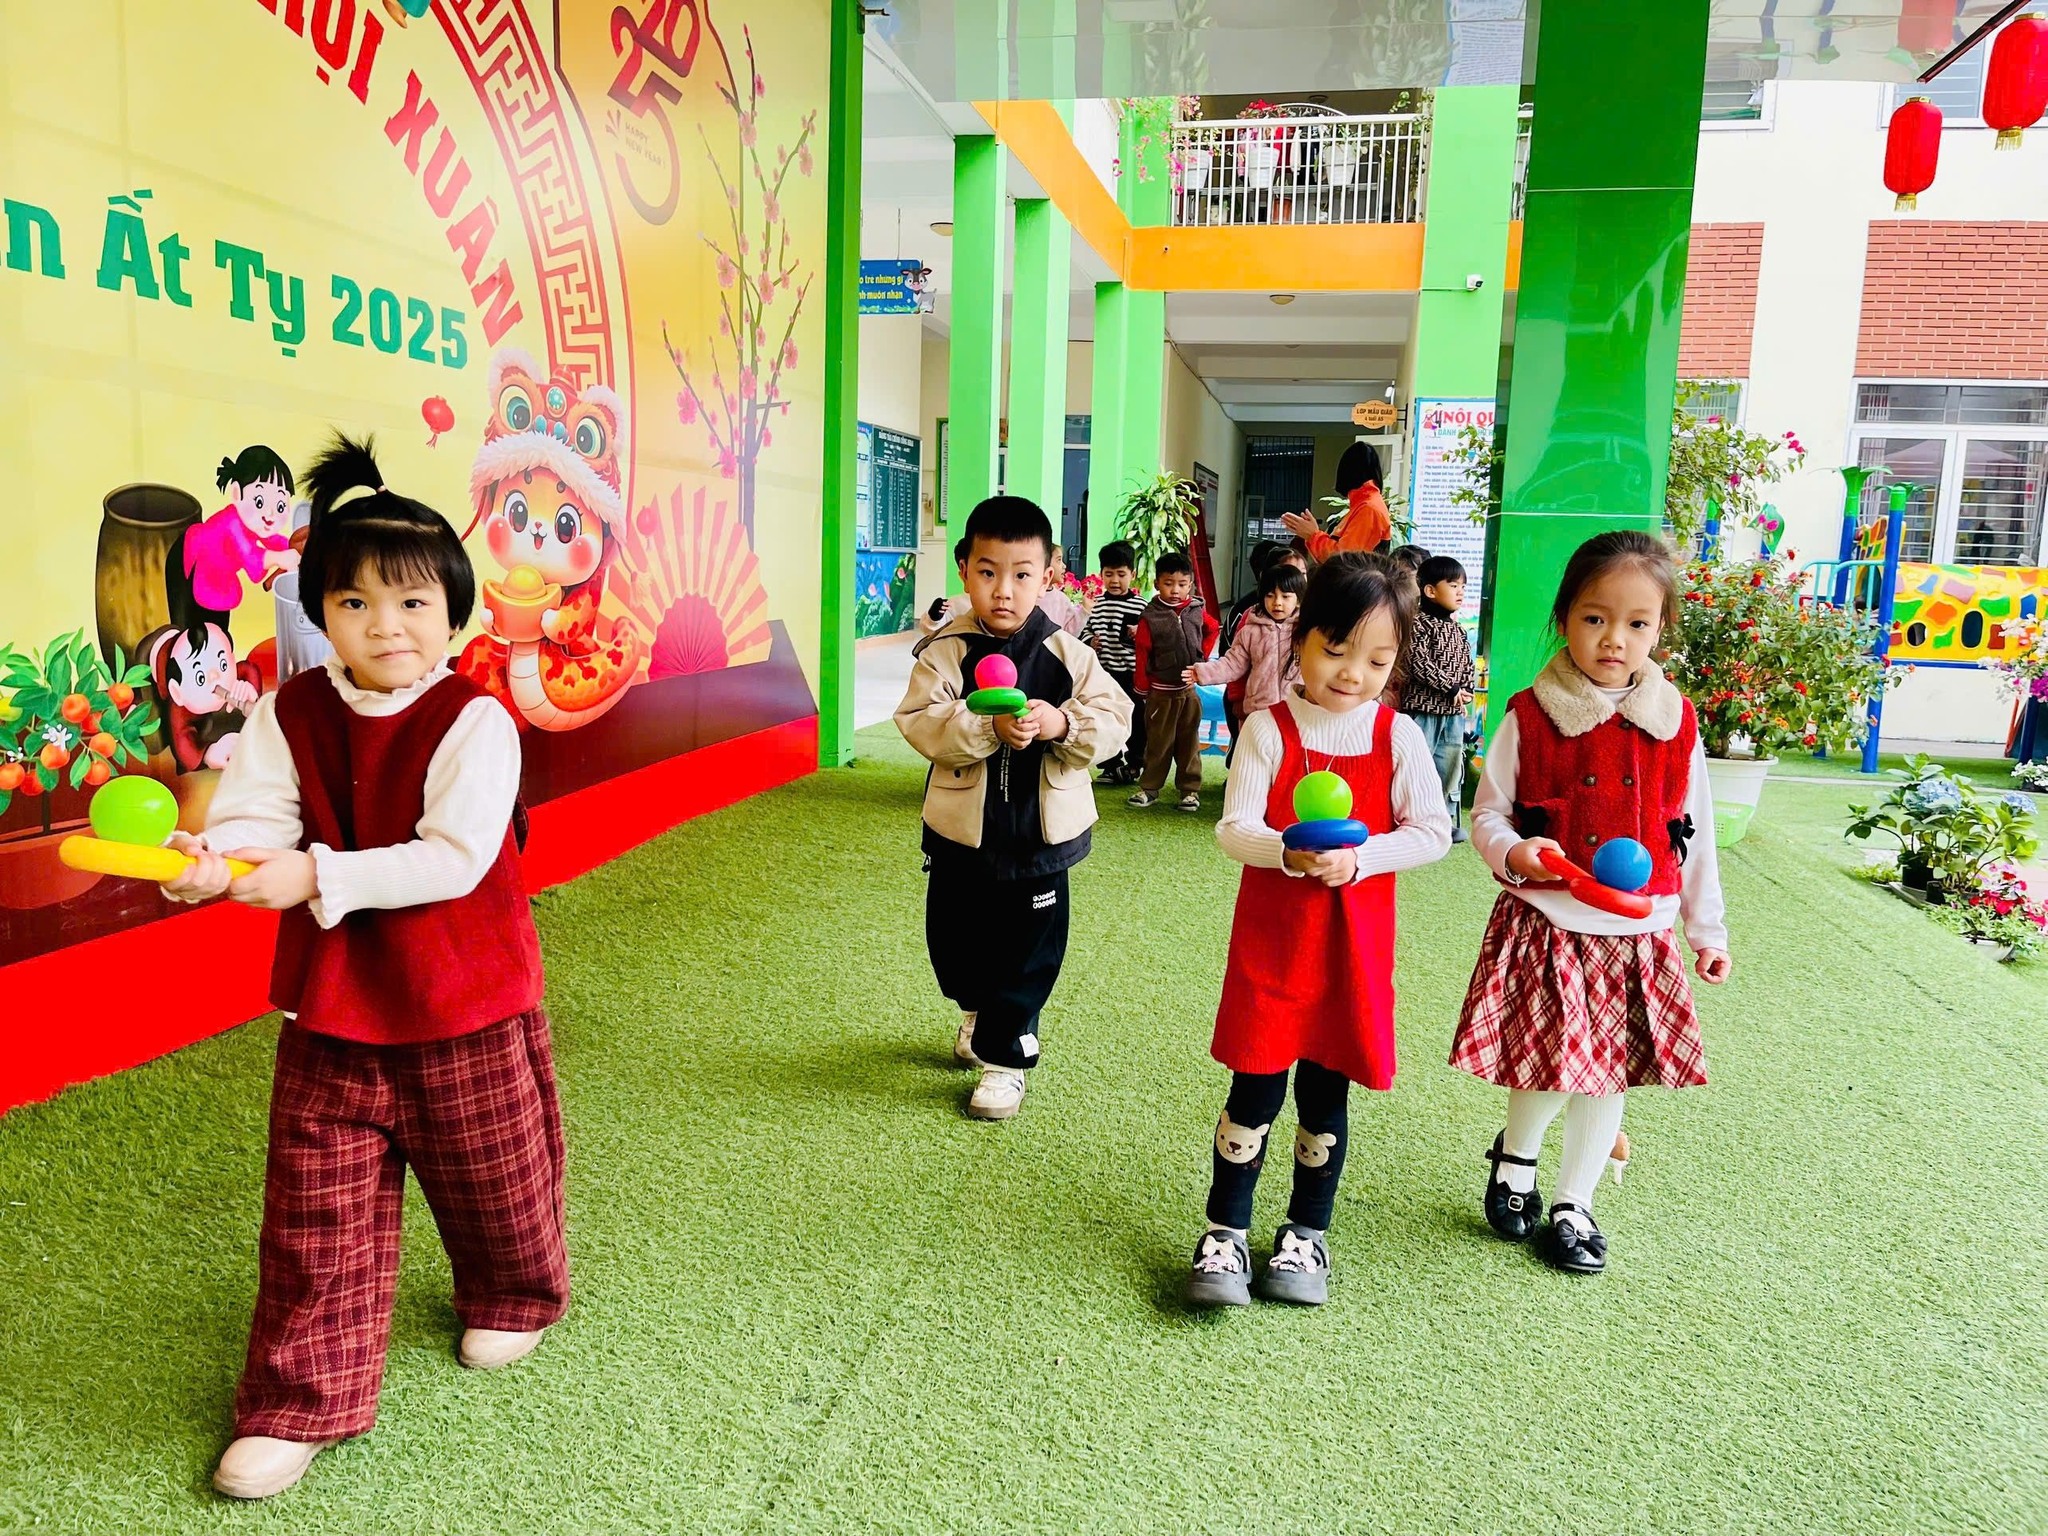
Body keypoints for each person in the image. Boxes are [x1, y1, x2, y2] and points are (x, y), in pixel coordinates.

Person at [165, 436, 565, 1500]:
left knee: (495, 1178)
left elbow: (453, 858)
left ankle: (514, 1294)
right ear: (321, 614)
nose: (385, 626)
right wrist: (214, 862)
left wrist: (312, 875)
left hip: (463, 996)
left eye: (412, 603)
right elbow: (256, 818)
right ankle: (298, 1400)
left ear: (454, 612)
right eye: (354, 603)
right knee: (314, 1212)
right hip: (334, 1007)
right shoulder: (290, 709)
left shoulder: (475, 719)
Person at [1450, 530, 1732, 1277]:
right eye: (1595, 618)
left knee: (1607, 1074)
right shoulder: (1530, 714)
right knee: (1548, 1064)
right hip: (1552, 921)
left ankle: (1575, 1202)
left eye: (1638, 623)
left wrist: (1707, 930)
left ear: (1661, 627)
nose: (1615, 639)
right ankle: (1516, 1162)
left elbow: (1696, 834)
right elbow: (1489, 813)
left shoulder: (1677, 721)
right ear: (1565, 617)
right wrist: (1515, 853)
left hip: (1639, 931)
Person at [1187, 554, 1452, 1308]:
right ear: (1300, 637)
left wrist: (1360, 858)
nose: (1352, 674)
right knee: (1254, 1087)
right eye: (1335, 650)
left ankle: (1307, 1233)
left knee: (1325, 1095)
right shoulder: (1267, 729)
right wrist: (1286, 850)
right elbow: (1234, 828)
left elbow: (1433, 832)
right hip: (1274, 947)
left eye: (1377, 660)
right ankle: (1225, 1231)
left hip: (1351, 952)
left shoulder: (1398, 737)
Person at [895, 496, 1131, 1121]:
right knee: (954, 945)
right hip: (961, 837)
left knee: (1029, 951)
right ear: (964, 569)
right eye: (988, 572)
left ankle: (1006, 1058)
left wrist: (1062, 724)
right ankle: (978, 1009)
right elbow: (919, 721)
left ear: (1048, 575)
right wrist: (984, 727)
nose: (1004, 590)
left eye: (1022, 574)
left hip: (1038, 840)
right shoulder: (945, 651)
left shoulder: (1068, 653)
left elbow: (1116, 719)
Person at [1129, 551, 1219, 812]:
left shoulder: (1196, 609)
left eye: (1182, 584)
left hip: (1188, 692)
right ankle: (1149, 788)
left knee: (1189, 742)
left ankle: (1190, 791)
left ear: (1190, 584)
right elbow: (1142, 652)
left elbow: (1213, 628)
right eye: (1169, 583)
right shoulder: (1150, 616)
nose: (1175, 590)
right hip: (1160, 694)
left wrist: (1201, 659)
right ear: (1157, 583)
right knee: (1158, 743)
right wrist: (1142, 688)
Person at [1187, 563, 1305, 760]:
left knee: (1290, 763)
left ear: (1298, 599)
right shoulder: (1250, 631)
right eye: (1270, 595)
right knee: (1255, 762)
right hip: (1258, 714)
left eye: (1285, 596)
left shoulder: (1306, 632)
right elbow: (1232, 664)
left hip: (1297, 713)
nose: (1277, 603)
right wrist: (1201, 672)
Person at [1404, 555, 1479, 842]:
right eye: (1453, 585)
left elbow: (1467, 664)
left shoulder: (1458, 630)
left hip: (1452, 714)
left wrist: (1466, 688)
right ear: (1430, 590)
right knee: (1417, 765)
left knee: (1448, 768)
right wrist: (1450, 687)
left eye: (1463, 587)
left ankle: (1441, 821)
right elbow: (1417, 662)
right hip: (1422, 710)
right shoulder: (1418, 624)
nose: (1460, 592)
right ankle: (1411, 819)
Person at [1081, 540, 1149, 784]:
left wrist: (1140, 633)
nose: (1115, 580)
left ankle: (1135, 763)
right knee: (1104, 718)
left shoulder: (1141, 606)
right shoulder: (1097, 605)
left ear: (1133, 574)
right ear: (1101, 574)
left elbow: (1153, 638)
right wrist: (1090, 641)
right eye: (1109, 574)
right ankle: (1110, 765)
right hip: (1105, 674)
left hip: (1132, 675)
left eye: (1121, 574)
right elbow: (1085, 631)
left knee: (1136, 720)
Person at [1279, 442, 1391, 562]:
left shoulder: (1369, 509)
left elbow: (1343, 560)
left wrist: (1313, 535)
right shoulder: (1366, 505)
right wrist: (1312, 535)